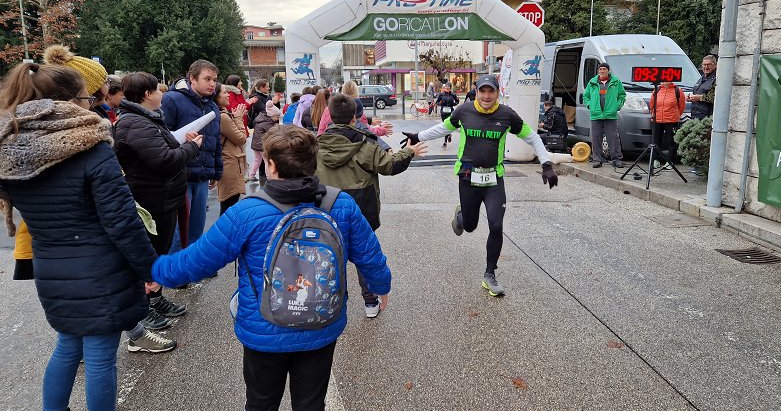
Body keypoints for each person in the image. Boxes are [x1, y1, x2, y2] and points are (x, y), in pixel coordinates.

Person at [151, 124, 392, 411]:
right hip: (321, 323)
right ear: (312, 162)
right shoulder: (341, 205)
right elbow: (369, 255)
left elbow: (197, 261)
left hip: (263, 327)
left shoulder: (247, 212)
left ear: (271, 164)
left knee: (261, 402)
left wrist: (155, 271)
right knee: (311, 402)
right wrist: (381, 286)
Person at [0, 62, 159, 410]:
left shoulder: (10, 150)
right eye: (88, 98)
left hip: (50, 266)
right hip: (101, 270)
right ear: (71, 102)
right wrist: (150, 269)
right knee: (100, 356)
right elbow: (122, 221)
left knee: (68, 345)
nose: (92, 104)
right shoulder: (90, 147)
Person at [400, 74, 558, 296]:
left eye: (491, 91)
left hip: (494, 179)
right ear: (476, 92)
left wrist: (546, 164)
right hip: (468, 177)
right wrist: (418, 136)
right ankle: (461, 216)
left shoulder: (506, 115)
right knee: (470, 226)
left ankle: (490, 274)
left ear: (497, 93)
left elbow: (532, 137)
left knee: (496, 226)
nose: (486, 96)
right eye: (482, 91)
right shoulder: (464, 111)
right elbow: (443, 128)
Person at [116, 71, 205, 350]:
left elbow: (162, 148)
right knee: (150, 254)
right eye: (157, 90)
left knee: (160, 251)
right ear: (147, 94)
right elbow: (164, 160)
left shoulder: (147, 119)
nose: (161, 95)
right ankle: (144, 309)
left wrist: (182, 142)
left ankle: (155, 299)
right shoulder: (134, 123)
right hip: (152, 199)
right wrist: (191, 147)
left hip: (164, 197)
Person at [316, 94, 426, 317]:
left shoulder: (316, 146)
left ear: (330, 116)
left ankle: (327, 304)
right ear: (355, 117)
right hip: (362, 209)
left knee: (329, 257)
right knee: (364, 257)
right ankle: (370, 302)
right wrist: (410, 151)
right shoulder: (365, 145)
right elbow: (390, 166)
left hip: (326, 211)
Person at [161, 59, 223, 250]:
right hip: (180, 175)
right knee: (179, 232)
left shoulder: (212, 107)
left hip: (202, 176)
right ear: (192, 79)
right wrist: (182, 141)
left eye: (214, 80)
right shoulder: (172, 100)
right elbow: (161, 136)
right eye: (207, 79)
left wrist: (216, 171)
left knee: (196, 229)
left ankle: (191, 264)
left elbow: (215, 141)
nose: (212, 84)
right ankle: (174, 267)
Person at [584, 62, 626, 168]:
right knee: (596, 138)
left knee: (613, 138)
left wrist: (617, 106)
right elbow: (586, 96)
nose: (602, 71)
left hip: (610, 114)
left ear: (608, 71)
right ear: (598, 71)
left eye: (604, 69)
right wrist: (590, 106)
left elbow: (622, 95)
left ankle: (617, 159)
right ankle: (597, 159)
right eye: (600, 69)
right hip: (596, 114)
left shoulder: (616, 82)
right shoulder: (592, 82)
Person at [216, 83, 249, 213]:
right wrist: (238, 118)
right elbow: (241, 138)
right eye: (224, 93)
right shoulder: (223, 117)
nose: (228, 95)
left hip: (229, 163)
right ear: (216, 96)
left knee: (229, 204)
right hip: (229, 165)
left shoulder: (221, 114)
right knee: (228, 206)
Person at [649, 81, 686, 169]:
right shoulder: (657, 90)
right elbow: (652, 104)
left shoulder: (677, 90)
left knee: (671, 141)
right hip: (657, 120)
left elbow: (681, 106)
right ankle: (656, 159)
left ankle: (670, 161)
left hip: (671, 120)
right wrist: (653, 114)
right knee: (656, 140)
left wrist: (676, 116)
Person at [249, 101, 281, 181]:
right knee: (267, 161)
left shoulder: (261, 120)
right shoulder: (267, 123)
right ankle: (269, 177)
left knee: (257, 160)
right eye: (277, 117)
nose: (278, 119)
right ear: (272, 115)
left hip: (255, 145)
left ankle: (251, 175)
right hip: (262, 146)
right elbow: (272, 132)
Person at [688, 55, 717, 119]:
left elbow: (716, 98)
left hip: (707, 118)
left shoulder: (717, 79)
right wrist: (690, 98)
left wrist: (700, 98)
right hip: (696, 115)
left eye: (709, 64)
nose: (706, 67)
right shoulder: (702, 77)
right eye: (704, 65)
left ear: (715, 65)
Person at [435, 83, 459, 148]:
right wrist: (440, 103)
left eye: (448, 86)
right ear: (444, 87)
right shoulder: (441, 94)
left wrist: (453, 104)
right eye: (446, 86)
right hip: (443, 112)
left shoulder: (453, 94)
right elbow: (437, 102)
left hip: (450, 112)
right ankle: (449, 135)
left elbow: (457, 101)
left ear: (450, 87)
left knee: (447, 125)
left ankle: (445, 142)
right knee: (445, 126)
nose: (447, 87)